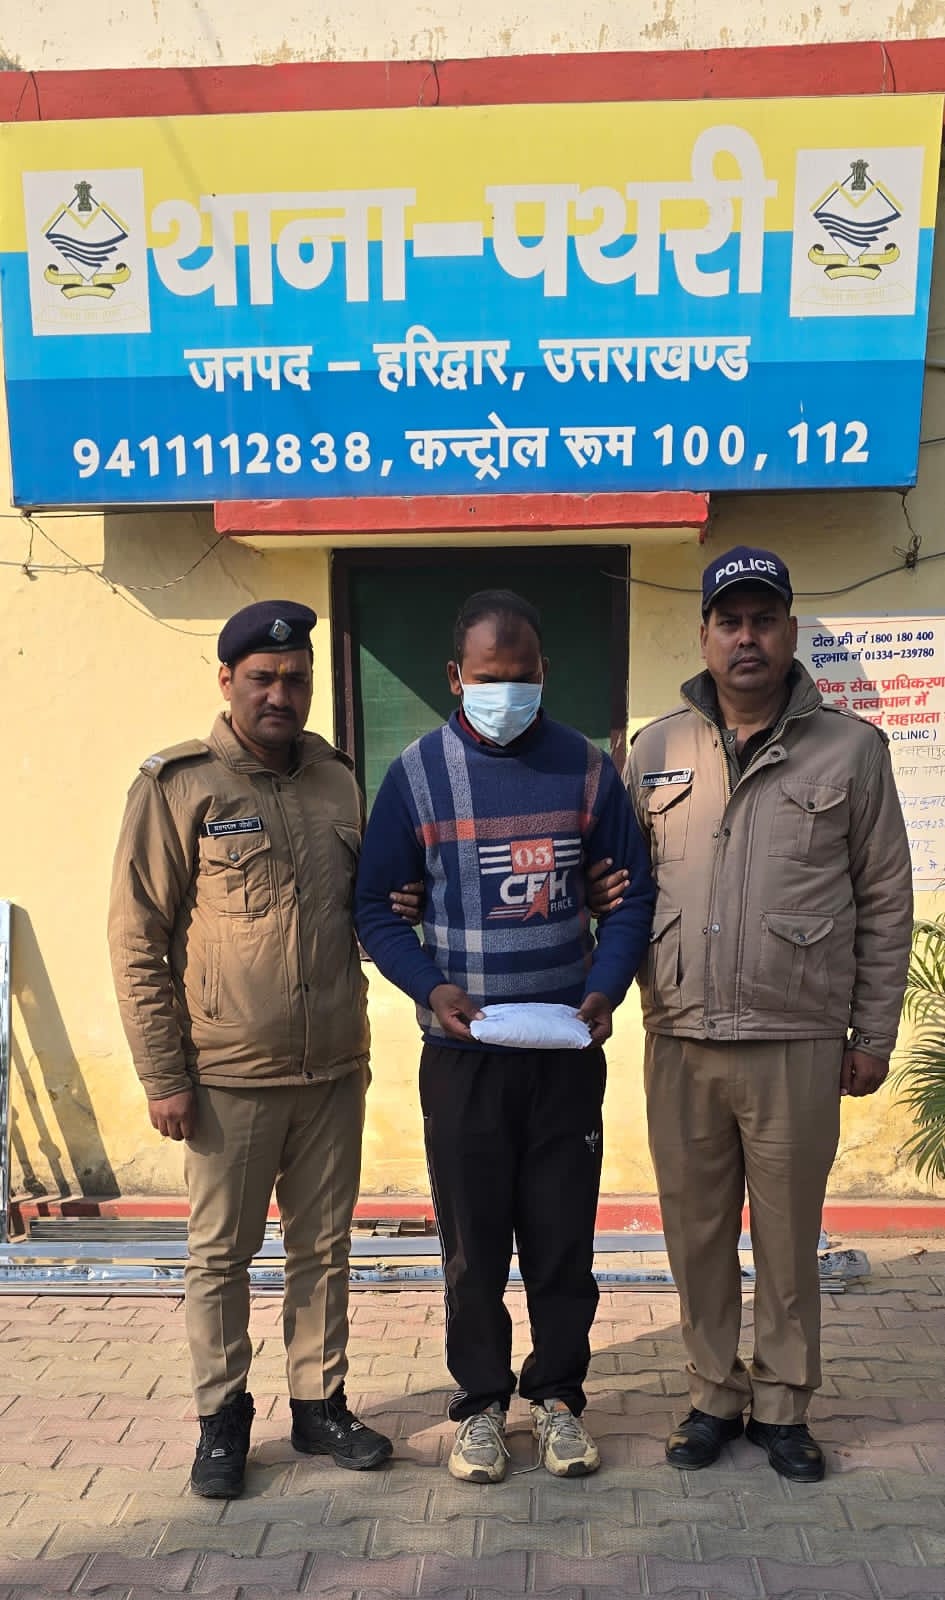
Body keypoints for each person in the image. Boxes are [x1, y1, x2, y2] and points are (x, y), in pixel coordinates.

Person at [589, 545, 913, 1482]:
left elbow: (884, 898)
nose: (746, 638)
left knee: (785, 1235)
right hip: (680, 1033)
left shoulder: (851, 750)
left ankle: (782, 1405)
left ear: (789, 632)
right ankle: (710, 1397)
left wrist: (871, 1034)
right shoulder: (653, 750)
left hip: (796, 1037)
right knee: (693, 1233)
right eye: (728, 621)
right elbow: (618, 886)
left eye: (763, 620)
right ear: (702, 635)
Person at [108, 599, 420, 1498]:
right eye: (262, 678)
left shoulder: (336, 779)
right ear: (226, 681)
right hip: (226, 1076)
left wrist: (395, 906)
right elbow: (136, 937)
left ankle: (320, 1406)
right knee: (220, 1257)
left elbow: (362, 904)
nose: (281, 693)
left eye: (296, 678)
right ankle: (222, 1419)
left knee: (323, 1249)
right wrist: (164, 1075)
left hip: (332, 1068)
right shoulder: (179, 786)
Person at [354, 589, 655, 1484]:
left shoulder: (587, 770)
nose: (505, 693)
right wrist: (430, 987)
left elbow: (631, 893)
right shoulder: (413, 776)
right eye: (488, 678)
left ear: (543, 673)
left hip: (564, 1052)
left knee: (562, 1243)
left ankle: (557, 1399)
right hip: (463, 1059)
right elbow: (375, 907)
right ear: (455, 676)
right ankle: (480, 1406)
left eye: (520, 676)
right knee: (472, 1249)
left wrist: (605, 987)